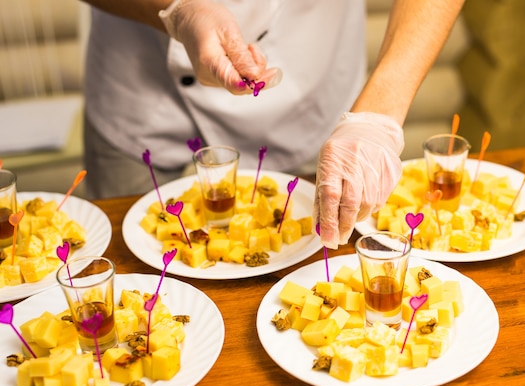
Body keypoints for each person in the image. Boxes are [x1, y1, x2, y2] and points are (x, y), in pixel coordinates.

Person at [81, 0, 465, 249]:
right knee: (123, 256)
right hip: (138, 79)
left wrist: (379, 113)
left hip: (308, 73)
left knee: (309, 249)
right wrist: (176, 11)